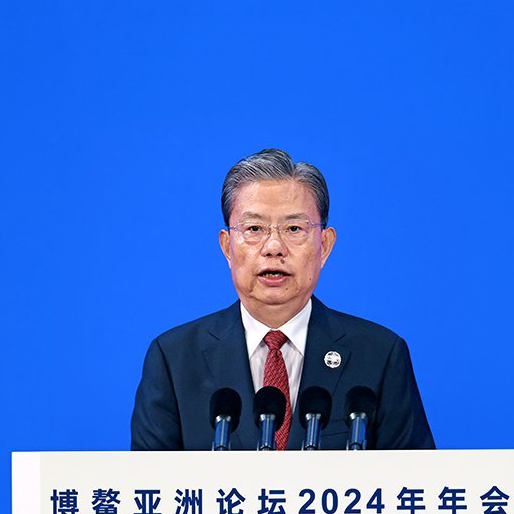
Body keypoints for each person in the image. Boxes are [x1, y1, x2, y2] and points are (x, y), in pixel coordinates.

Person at [131, 148, 435, 451]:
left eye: (293, 228)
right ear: (227, 247)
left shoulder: (380, 355)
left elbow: (417, 478)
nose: (274, 247)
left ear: (325, 245)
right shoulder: (173, 360)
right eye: (254, 229)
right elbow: (146, 480)